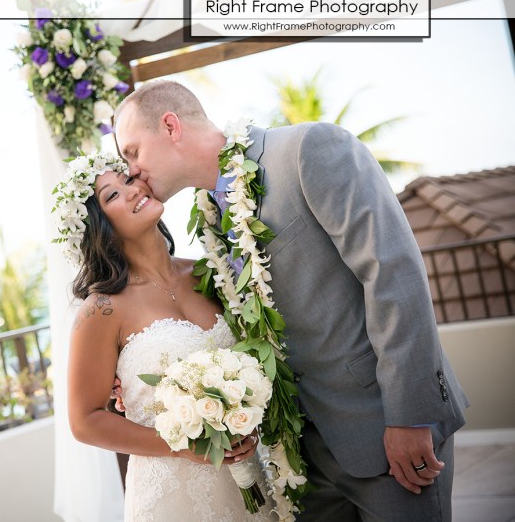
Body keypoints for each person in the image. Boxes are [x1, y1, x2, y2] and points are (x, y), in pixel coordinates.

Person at [110, 80, 468, 521]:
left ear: (170, 126)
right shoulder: (210, 218)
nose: (131, 172)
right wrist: (141, 378)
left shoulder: (307, 150)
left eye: (132, 152)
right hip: (300, 455)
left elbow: (394, 275)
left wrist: (410, 417)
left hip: (384, 430)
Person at [57, 153, 277, 522]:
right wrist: (182, 446)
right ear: (99, 228)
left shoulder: (211, 273)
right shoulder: (101, 310)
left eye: (128, 180)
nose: (132, 191)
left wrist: (248, 421)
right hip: (171, 493)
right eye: (112, 196)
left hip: (249, 472)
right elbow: (85, 420)